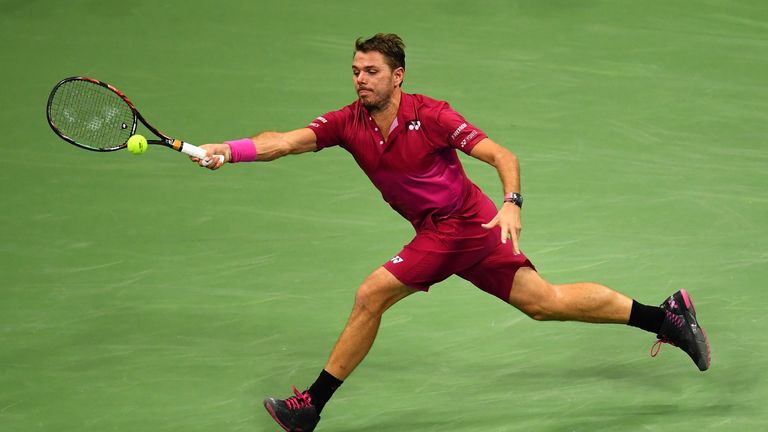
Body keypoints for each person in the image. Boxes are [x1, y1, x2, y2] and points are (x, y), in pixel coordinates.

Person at [192, 33, 710, 432]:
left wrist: (511, 202)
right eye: (355, 71)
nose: (360, 80)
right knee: (543, 301)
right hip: (465, 230)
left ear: (398, 76)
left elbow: (501, 155)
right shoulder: (346, 123)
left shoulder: (432, 115)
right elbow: (281, 141)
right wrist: (222, 149)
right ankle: (664, 315)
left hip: (460, 226)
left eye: (371, 72)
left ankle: (311, 406)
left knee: (371, 295)